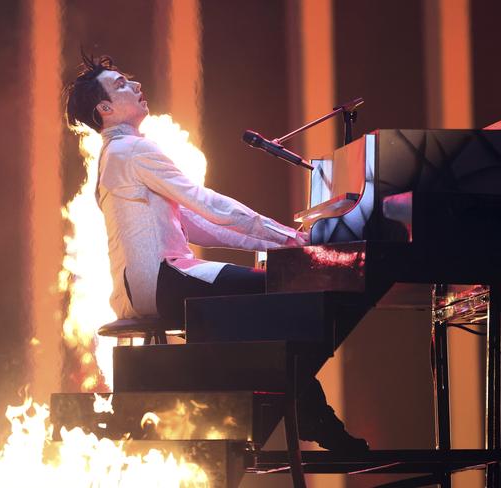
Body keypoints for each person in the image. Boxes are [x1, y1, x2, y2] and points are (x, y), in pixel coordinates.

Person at [64, 53, 368, 452]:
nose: (136, 86)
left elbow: (195, 224)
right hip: (165, 281)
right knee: (288, 298)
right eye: (121, 84)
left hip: (145, 289)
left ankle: (306, 413)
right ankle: (302, 413)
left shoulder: (114, 156)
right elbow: (208, 205)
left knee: (272, 302)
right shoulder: (133, 151)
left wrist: (282, 241)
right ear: (104, 109)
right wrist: (293, 241)